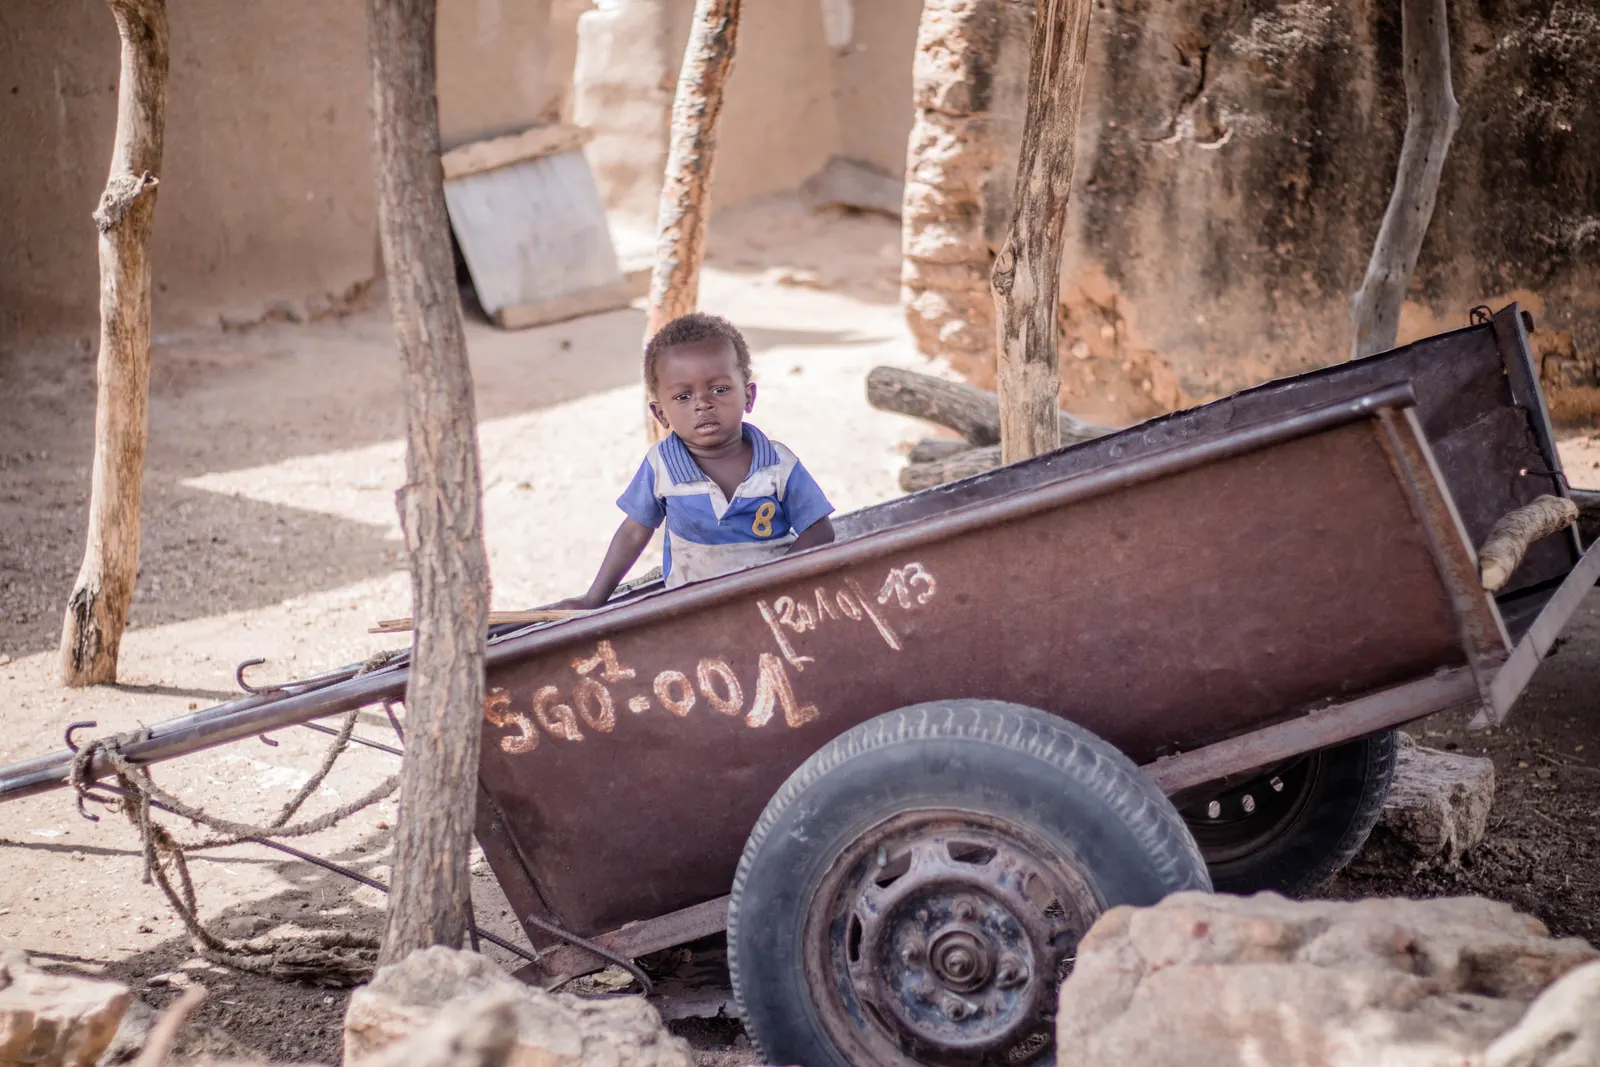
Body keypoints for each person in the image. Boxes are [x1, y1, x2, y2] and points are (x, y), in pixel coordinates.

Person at [560, 313, 836, 609]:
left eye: (719, 389)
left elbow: (820, 530)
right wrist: (592, 600)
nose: (703, 403)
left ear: (748, 395)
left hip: (775, 603)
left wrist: (777, 581)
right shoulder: (661, 465)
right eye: (683, 396)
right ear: (661, 414)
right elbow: (633, 532)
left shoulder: (778, 464)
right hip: (692, 610)